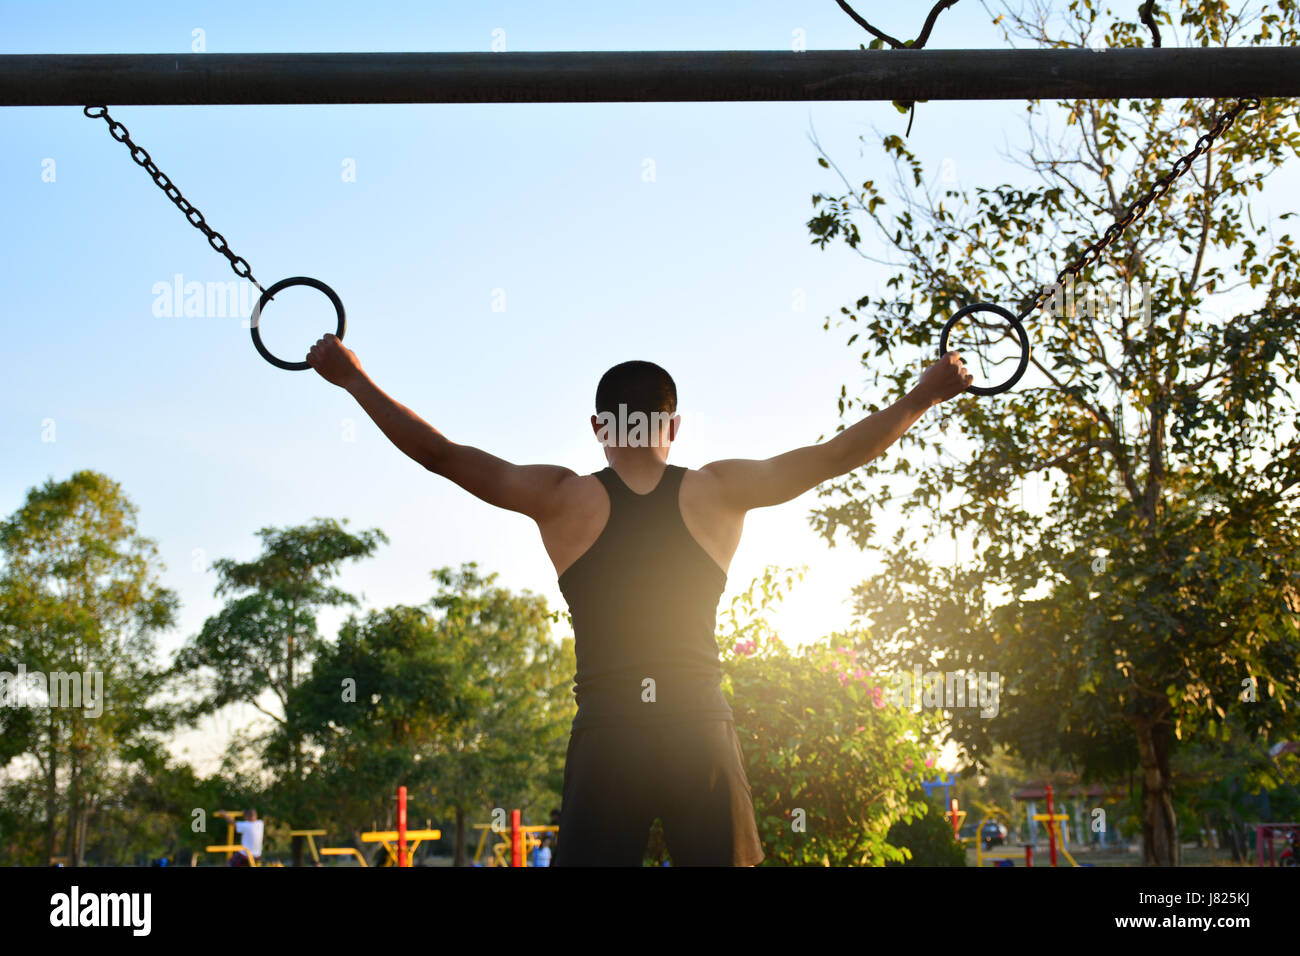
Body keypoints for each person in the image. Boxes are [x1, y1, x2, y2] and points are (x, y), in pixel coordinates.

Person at [307, 337, 972, 866]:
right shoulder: (719, 492)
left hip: (609, 736)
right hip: (699, 731)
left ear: (599, 426)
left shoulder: (560, 498)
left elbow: (442, 457)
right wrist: (924, 396)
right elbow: (834, 456)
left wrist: (354, 379)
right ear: (673, 426)